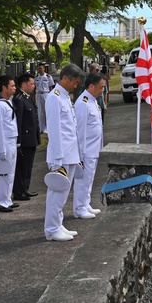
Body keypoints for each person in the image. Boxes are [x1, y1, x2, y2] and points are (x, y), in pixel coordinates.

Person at [44, 64, 84, 241]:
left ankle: (58, 224)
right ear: (65, 78)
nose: (75, 86)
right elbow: (54, 130)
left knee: (63, 193)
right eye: (74, 82)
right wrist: (57, 159)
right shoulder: (55, 98)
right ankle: (51, 229)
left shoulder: (65, 97)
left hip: (70, 152)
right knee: (57, 192)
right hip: (61, 155)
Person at [73, 72, 105, 219]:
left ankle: (85, 204)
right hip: (86, 151)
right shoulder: (83, 103)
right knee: (82, 180)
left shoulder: (92, 101)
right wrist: (80, 153)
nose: (102, 90)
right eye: (100, 87)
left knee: (89, 179)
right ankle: (79, 208)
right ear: (91, 86)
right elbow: (80, 130)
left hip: (94, 148)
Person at [0, 75, 20, 213]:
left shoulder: (8, 102)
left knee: (11, 173)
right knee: (4, 172)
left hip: (12, 140)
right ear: (4, 87)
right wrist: (2, 149)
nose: (15, 88)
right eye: (12, 86)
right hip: (6, 142)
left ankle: (7, 198)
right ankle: (1, 201)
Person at [13, 73, 40, 202]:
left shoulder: (28, 98)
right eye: (31, 84)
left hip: (31, 138)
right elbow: (18, 121)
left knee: (28, 166)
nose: (34, 86)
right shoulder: (19, 99)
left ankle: (25, 188)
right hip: (24, 138)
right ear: (24, 84)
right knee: (22, 166)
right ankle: (19, 191)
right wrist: (18, 141)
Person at [34, 64, 54, 132]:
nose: (39, 70)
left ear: (44, 69)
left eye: (41, 68)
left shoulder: (48, 77)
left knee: (46, 111)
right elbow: (35, 87)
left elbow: (51, 87)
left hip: (46, 94)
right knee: (40, 111)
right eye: (38, 68)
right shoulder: (36, 77)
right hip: (38, 94)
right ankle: (41, 128)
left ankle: (47, 128)